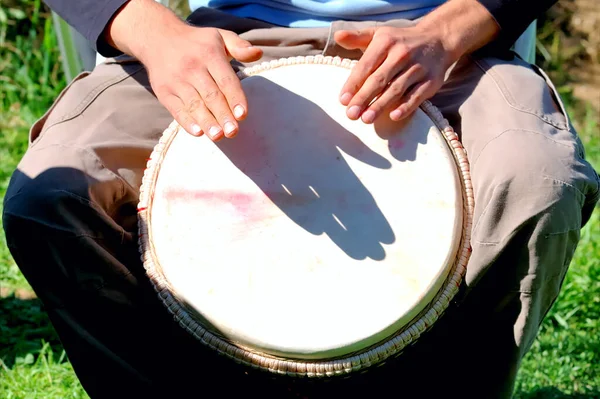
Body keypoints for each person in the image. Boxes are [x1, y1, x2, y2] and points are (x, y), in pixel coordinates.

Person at [2, 0, 599, 397]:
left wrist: (447, 32)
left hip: (443, 46)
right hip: (228, 39)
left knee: (537, 181)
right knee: (51, 200)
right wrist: (157, 37)